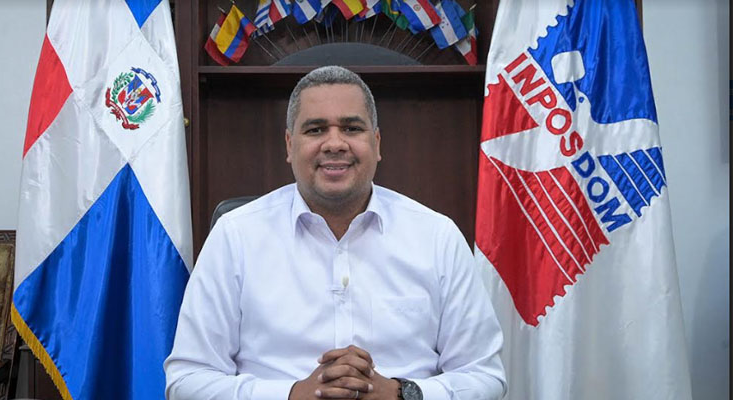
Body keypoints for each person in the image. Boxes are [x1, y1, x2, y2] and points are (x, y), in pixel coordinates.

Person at [164, 66, 506, 400]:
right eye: (315, 130)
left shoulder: (436, 237)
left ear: (376, 143)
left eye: (351, 128)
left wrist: (403, 394)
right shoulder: (235, 236)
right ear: (289, 145)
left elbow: (484, 376)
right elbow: (187, 380)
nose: (334, 143)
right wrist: (290, 395)